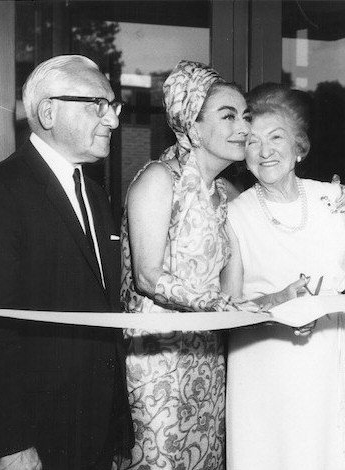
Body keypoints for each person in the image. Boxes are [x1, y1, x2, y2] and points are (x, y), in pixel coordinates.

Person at [0, 55, 131, 470]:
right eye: (98, 105)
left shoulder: (96, 196)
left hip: (93, 427)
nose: (113, 121)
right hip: (36, 436)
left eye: (114, 106)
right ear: (48, 111)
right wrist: (10, 444)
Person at [119, 60, 262, 470]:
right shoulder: (157, 179)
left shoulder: (227, 192)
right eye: (229, 115)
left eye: (246, 116)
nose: (245, 127)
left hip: (207, 357)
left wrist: (328, 202)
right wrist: (218, 306)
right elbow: (147, 277)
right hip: (155, 362)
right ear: (193, 127)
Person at [222, 83, 345, 470]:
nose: (265, 150)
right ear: (244, 155)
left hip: (324, 362)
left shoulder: (333, 200)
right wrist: (277, 306)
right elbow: (229, 304)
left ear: (299, 147)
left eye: (276, 137)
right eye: (253, 142)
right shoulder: (234, 214)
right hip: (262, 366)